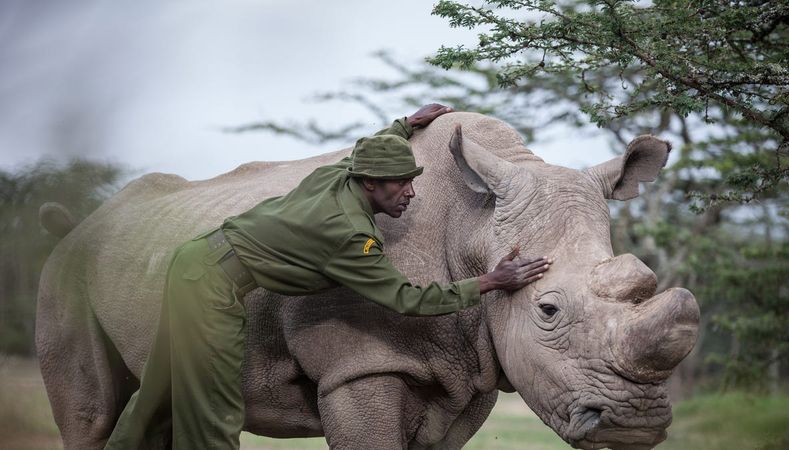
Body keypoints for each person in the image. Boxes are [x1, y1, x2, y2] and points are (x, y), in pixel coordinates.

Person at [104, 104, 552, 450]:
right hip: (211, 287)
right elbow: (407, 299)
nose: (411, 192)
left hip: (196, 260)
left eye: (412, 179)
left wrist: (404, 125)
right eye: (400, 182)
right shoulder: (350, 234)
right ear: (371, 184)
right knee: (215, 410)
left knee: (156, 394)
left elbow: (361, 151)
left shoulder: (336, 178)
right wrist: (492, 281)